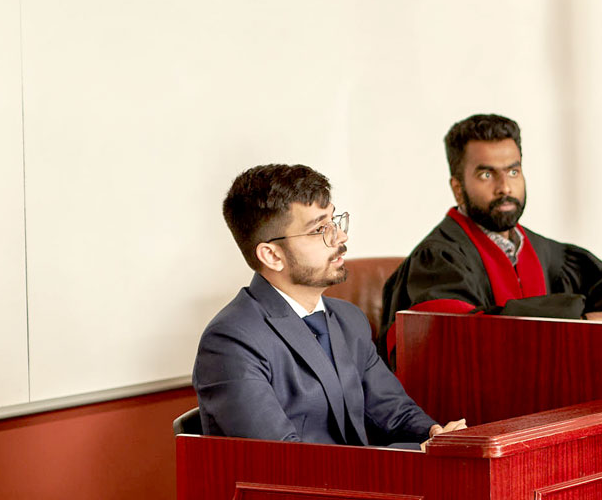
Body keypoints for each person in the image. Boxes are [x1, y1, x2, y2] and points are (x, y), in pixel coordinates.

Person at [194, 164, 465, 447]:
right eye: (320, 229)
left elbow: (393, 412)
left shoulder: (348, 318)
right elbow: (283, 462)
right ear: (272, 255)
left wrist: (434, 435)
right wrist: (416, 453)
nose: (340, 237)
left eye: (334, 221)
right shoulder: (231, 341)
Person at [381, 113, 602, 333]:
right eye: (487, 175)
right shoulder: (438, 260)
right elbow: (457, 336)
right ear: (457, 187)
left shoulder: (554, 256)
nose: (505, 187)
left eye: (513, 171)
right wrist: (581, 319)